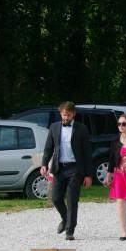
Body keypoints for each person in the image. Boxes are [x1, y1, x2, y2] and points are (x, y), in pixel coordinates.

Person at [41, 102, 93, 240]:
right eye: (64, 114)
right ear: (61, 113)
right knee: (56, 198)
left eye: (69, 114)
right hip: (59, 168)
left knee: (71, 200)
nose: (66, 117)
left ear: (73, 114)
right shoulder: (54, 127)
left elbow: (87, 152)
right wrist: (44, 164)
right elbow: (48, 148)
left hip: (75, 169)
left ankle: (70, 230)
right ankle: (65, 219)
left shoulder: (81, 129)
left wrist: (88, 174)